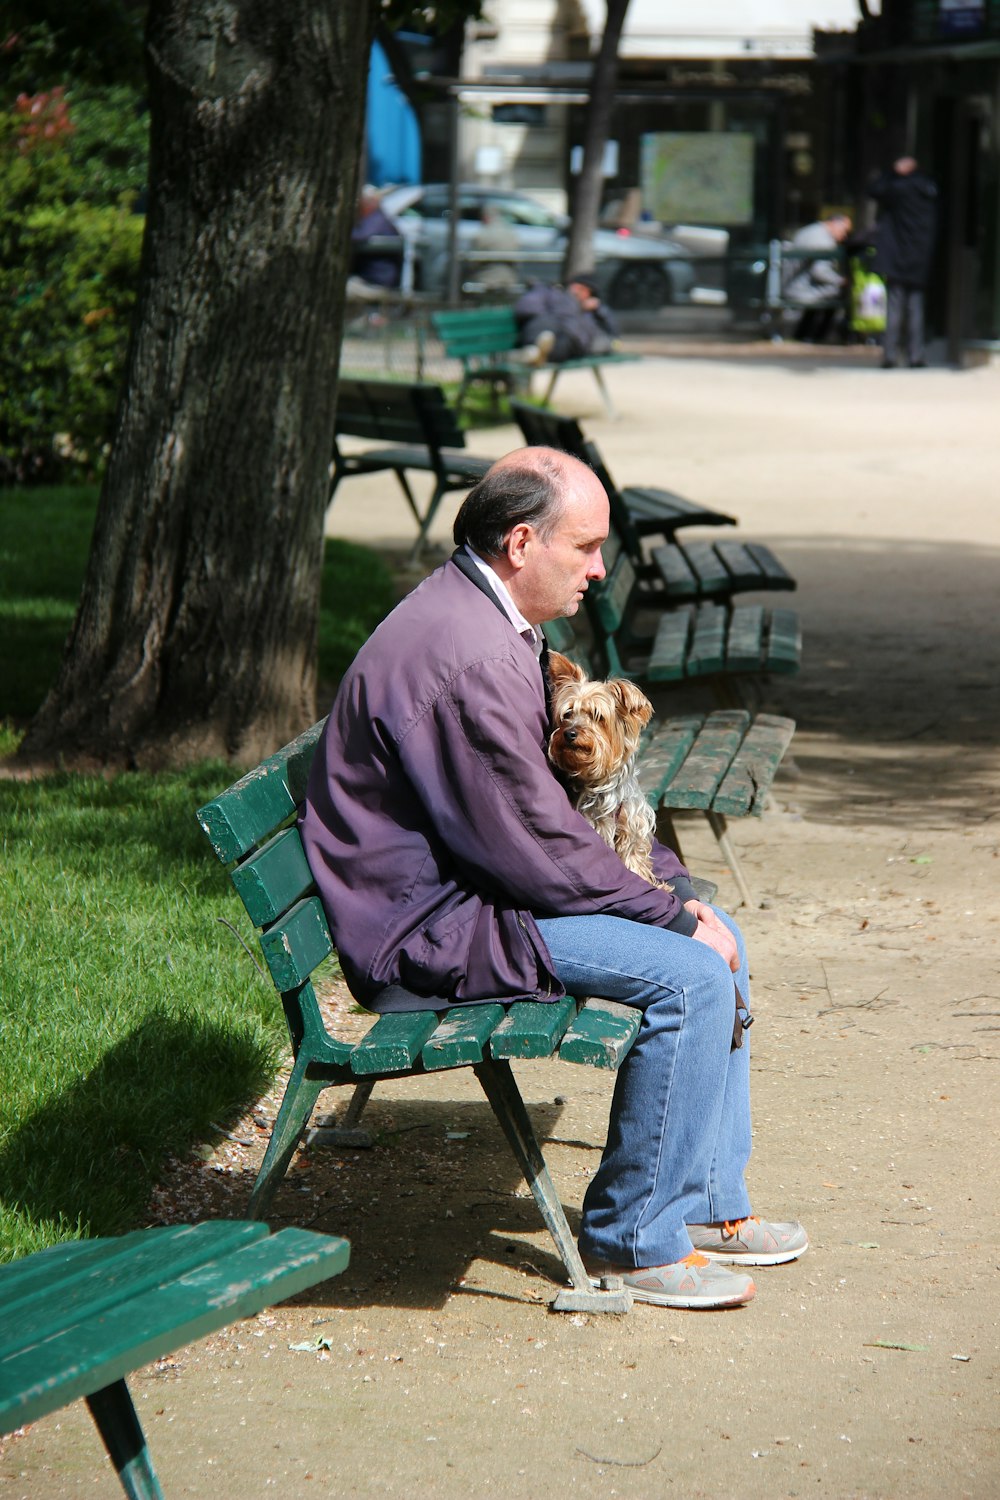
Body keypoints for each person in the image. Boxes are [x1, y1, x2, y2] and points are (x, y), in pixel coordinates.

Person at [300, 446, 808, 1311]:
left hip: (477, 890)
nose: (600, 570)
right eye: (586, 548)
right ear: (523, 543)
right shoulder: (466, 656)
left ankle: (713, 1205)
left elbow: (553, 816)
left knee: (720, 937)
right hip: (433, 927)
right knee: (690, 973)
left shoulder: (493, 624)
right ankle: (634, 1241)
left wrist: (674, 892)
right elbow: (532, 843)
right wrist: (673, 921)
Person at [869, 156, 938, 369]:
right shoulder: (928, 189)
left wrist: (891, 172)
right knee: (915, 307)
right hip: (920, 257)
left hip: (897, 256)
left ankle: (890, 354)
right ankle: (915, 355)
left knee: (895, 306)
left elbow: (874, 190)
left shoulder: (898, 188)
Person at [514, 274, 619, 366]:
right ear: (573, 286)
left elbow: (613, 333)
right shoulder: (550, 293)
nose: (581, 293)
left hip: (569, 344)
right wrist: (553, 315)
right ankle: (534, 353)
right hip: (543, 331)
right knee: (548, 330)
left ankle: (534, 354)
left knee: (563, 340)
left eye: (588, 292)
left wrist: (599, 310)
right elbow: (523, 307)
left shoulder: (590, 314)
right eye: (580, 288)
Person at [782, 212, 853, 343]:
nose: (845, 236)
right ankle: (818, 337)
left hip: (792, 285)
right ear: (834, 223)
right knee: (837, 294)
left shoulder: (810, 230)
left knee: (829, 294)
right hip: (801, 289)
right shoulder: (824, 240)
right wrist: (842, 281)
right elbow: (819, 272)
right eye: (845, 230)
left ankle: (804, 334)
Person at [349, 185, 402, 293]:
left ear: (370, 203)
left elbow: (358, 236)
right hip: (373, 279)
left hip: (378, 282)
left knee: (342, 287)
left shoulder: (377, 220)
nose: (358, 206)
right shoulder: (376, 218)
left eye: (361, 202)